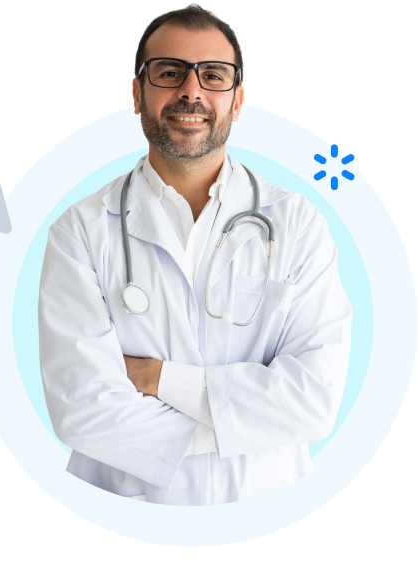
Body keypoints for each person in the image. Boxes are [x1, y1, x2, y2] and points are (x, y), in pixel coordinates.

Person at [38, 4, 352, 506]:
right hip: (125, 512)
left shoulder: (297, 224)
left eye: (213, 75)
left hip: (267, 508)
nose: (191, 91)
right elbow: (83, 413)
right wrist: (248, 423)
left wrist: (156, 378)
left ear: (237, 100)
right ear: (137, 93)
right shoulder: (80, 231)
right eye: (169, 73)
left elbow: (313, 403)